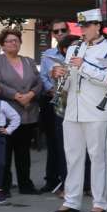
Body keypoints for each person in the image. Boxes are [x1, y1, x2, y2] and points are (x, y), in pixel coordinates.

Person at [50, 9, 107, 212]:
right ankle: (71, 200)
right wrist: (58, 75)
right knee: (73, 157)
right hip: (73, 109)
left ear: (98, 26)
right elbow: (70, 80)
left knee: (97, 157)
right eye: (81, 26)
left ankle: (99, 203)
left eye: (87, 26)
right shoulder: (74, 47)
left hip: (98, 110)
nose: (83, 30)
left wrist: (84, 66)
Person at [0, 27, 43, 195]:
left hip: (27, 112)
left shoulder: (29, 61)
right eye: (9, 41)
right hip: (6, 114)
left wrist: (30, 94)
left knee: (24, 151)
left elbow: (38, 82)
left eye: (16, 40)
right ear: (2, 45)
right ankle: (4, 185)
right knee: (5, 152)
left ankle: (26, 184)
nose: (13, 43)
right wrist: (17, 96)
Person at [38, 20, 71, 193]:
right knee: (53, 142)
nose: (59, 33)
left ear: (69, 30)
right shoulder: (47, 54)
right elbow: (43, 77)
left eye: (62, 30)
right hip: (54, 101)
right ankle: (51, 179)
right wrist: (52, 90)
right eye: (56, 31)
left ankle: (77, 182)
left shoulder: (78, 50)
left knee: (72, 143)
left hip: (73, 102)